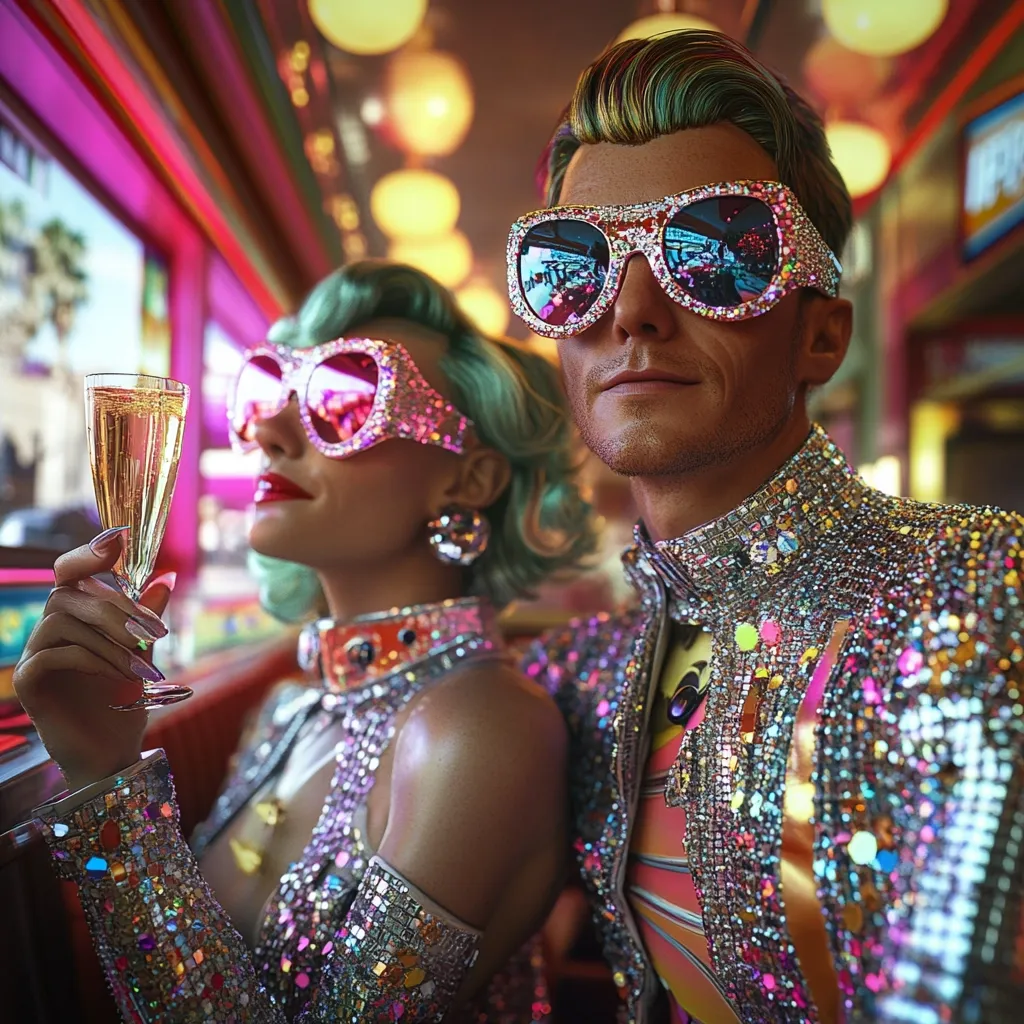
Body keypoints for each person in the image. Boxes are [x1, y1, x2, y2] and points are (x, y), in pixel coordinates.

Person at [509, 30, 1024, 1024]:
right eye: (575, 265)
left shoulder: (979, 593)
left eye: (716, 252)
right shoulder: (579, 677)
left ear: (821, 331)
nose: (632, 311)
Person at [15, 260, 599, 1022]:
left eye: (344, 397)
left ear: (471, 478)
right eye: (268, 389)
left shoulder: (480, 728)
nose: (269, 430)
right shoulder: (287, 714)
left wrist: (110, 785)